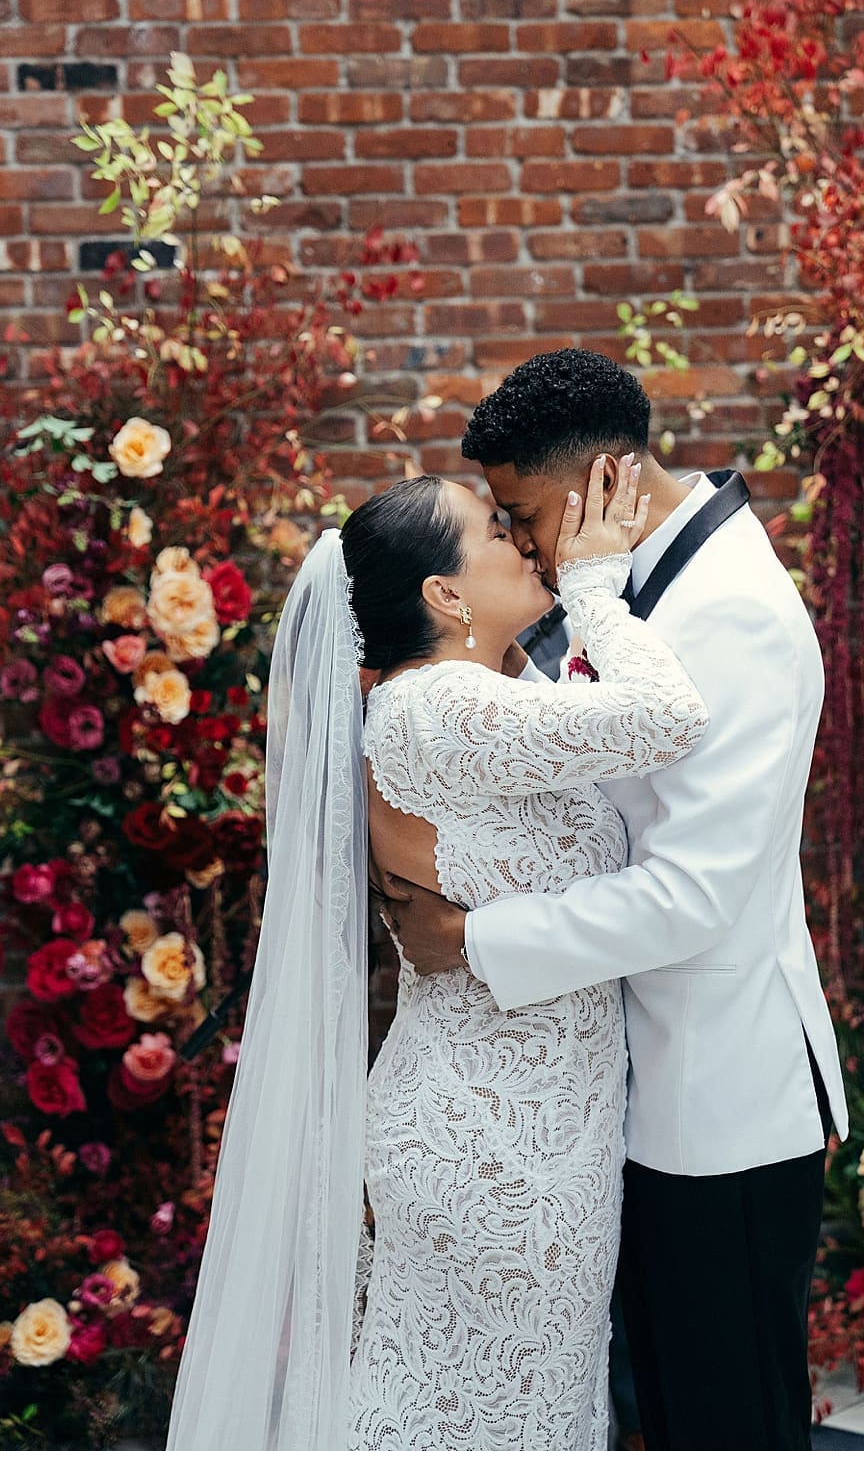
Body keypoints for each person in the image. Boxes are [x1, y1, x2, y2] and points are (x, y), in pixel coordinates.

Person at [170, 455, 710, 1446]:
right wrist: (593, 580)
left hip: (542, 1123)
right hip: (492, 1142)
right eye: (496, 535)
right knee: (487, 1414)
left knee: (512, 1405)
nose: (522, 543)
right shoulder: (434, 708)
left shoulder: (499, 689)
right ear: (442, 590)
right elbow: (667, 717)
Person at [386, 347, 847, 1450]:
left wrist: (472, 939)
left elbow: (689, 892)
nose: (525, 544)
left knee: (728, 1417)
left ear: (602, 481)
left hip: (719, 1101)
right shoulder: (640, 588)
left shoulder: (727, 609)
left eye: (521, 513)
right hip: (638, 1094)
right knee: (667, 1409)